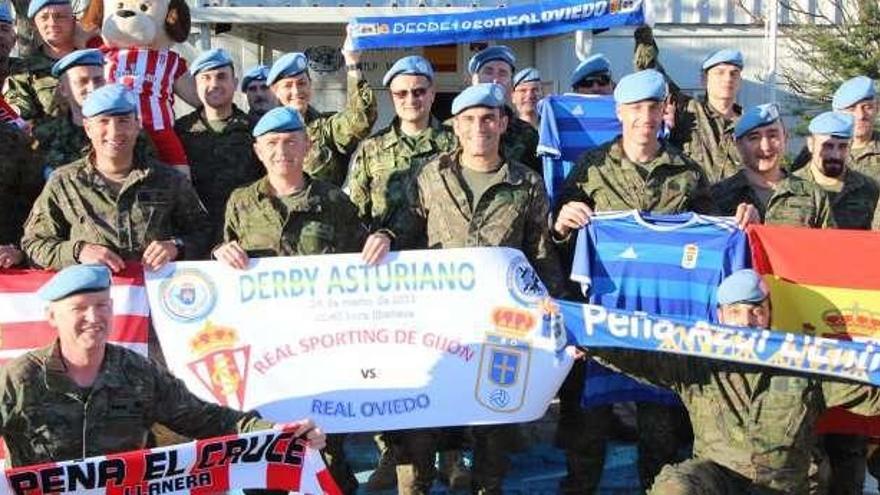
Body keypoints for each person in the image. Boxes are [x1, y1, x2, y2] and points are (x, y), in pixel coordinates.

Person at [552, 68, 758, 493]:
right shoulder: (591, 169)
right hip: (605, 322)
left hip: (664, 326)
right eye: (635, 108)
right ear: (620, 112)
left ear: (665, 110)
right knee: (587, 432)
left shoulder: (686, 171)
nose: (645, 117)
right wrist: (562, 224)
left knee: (660, 437)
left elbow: (714, 234)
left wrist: (744, 219)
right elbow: (555, 239)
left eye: (653, 106)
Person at [392, 83, 565, 494]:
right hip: (437, 322)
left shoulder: (526, 184)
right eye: (468, 119)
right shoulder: (429, 175)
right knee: (422, 418)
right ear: (455, 126)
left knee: (493, 423)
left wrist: (554, 305)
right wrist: (383, 235)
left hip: (498, 325)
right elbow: (406, 228)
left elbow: (539, 252)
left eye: (488, 117)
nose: (479, 127)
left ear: (504, 122)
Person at [213, 106, 390, 494]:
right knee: (269, 448)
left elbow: (364, 263)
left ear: (307, 146)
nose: (282, 151)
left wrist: (383, 239)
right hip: (265, 354)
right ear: (258, 151)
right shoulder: (241, 202)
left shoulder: (333, 201)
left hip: (321, 351)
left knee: (325, 452)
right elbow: (223, 259)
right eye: (272, 143)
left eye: (291, 141)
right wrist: (220, 253)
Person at [0, 263, 326, 469]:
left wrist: (280, 434)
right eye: (79, 309)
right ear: (52, 316)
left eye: (101, 307)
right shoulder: (19, 379)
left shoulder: (137, 373)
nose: (93, 318)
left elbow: (210, 420)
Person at [585, 268, 880, 494]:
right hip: (718, 476)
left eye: (756, 311)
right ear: (720, 315)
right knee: (674, 487)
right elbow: (634, 354)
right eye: (735, 312)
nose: (747, 321)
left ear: (769, 315)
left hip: (785, 483)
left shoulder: (803, 362)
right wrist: (581, 338)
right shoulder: (697, 363)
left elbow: (867, 392)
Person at [346, 55, 460, 493]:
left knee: (448, 363)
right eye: (401, 93)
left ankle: (451, 453)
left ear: (432, 93)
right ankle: (396, 455)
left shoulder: (456, 143)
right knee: (394, 370)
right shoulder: (371, 150)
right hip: (389, 284)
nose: (411, 100)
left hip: (443, 278)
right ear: (390, 97)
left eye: (419, 91)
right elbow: (354, 212)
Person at [21, 83, 212, 271]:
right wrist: (78, 252)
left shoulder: (168, 180)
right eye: (103, 121)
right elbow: (34, 245)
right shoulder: (64, 182)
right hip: (94, 298)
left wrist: (176, 247)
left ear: (137, 124)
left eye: (123, 120)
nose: (115, 131)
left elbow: (205, 234)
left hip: (150, 296)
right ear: (88, 128)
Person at [175, 48, 264, 244]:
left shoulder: (256, 130)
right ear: (196, 85)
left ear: (235, 82)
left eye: (221, 77)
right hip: (194, 238)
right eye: (205, 78)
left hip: (246, 236)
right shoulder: (180, 132)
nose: (214, 84)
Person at [634, 26, 743, 183]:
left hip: (735, 206)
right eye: (719, 72)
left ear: (740, 81)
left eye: (734, 73)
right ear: (704, 80)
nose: (727, 79)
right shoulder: (686, 110)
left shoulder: (749, 127)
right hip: (692, 203)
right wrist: (644, 34)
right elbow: (650, 72)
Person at [266, 41, 377, 187]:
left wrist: (352, 63)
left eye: (301, 83)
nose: (296, 91)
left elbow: (361, 119)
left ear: (310, 85)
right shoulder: (261, 132)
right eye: (288, 85)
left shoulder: (326, 129)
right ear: (275, 91)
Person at [712, 103, 835, 228]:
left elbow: (829, 245)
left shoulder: (812, 195)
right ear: (738, 144)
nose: (765, 146)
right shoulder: (717, 196)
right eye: (754, 138)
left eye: (773, 136)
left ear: (785, 138)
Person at [794, 111, 879, 230]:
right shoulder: (791, 188)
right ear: (811, 144)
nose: (836, 155)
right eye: (828, 146)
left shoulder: (868, 189)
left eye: (842, 147)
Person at [465, 45, 542, 173]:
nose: (495, 80)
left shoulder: (527, 134)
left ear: (510, 84)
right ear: (473, 80)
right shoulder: (452, 130)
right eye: (488, 72)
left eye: (503, 73)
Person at [791, 76, 880, 182]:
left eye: (867, 107)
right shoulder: (816, 150)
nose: (860, 115)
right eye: (851, 109)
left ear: (877, 108)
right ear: (836, 114)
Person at [4, 0, 76, 127]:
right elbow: (18, 111)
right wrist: (16, 111)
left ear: (74, 20)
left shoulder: (96, 61)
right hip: (49, 146)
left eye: (60, 16)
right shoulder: (23, 70)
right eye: (44, 18)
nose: (52, 23)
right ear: (34, 25)